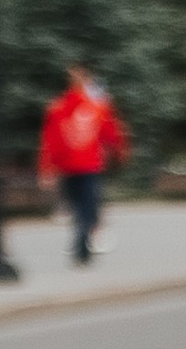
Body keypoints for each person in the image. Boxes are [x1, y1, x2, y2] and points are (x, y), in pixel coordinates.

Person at [39, 66, 128, 263]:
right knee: (87, 203)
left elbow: (49, 140)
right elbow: (111, 134)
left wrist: (47, 168)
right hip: (87, 164)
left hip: (71, 165)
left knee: (78, 203)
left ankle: (82, 236)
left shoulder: (59, 107)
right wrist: (119, 153)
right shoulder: (95, 107)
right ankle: (83, 236)